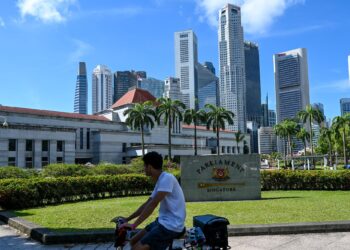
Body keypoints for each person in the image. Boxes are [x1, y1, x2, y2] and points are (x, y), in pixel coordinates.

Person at [119, 151, 186, 250]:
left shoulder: (167, 178)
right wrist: (127, 219)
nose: (144, 169)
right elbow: (147, 203)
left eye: (144, 166)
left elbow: (153, 204)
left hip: (171, 226)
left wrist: (134, 225)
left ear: (149, 167)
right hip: (162, 222)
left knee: (136, 248)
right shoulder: (160, 180)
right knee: (133, 241)